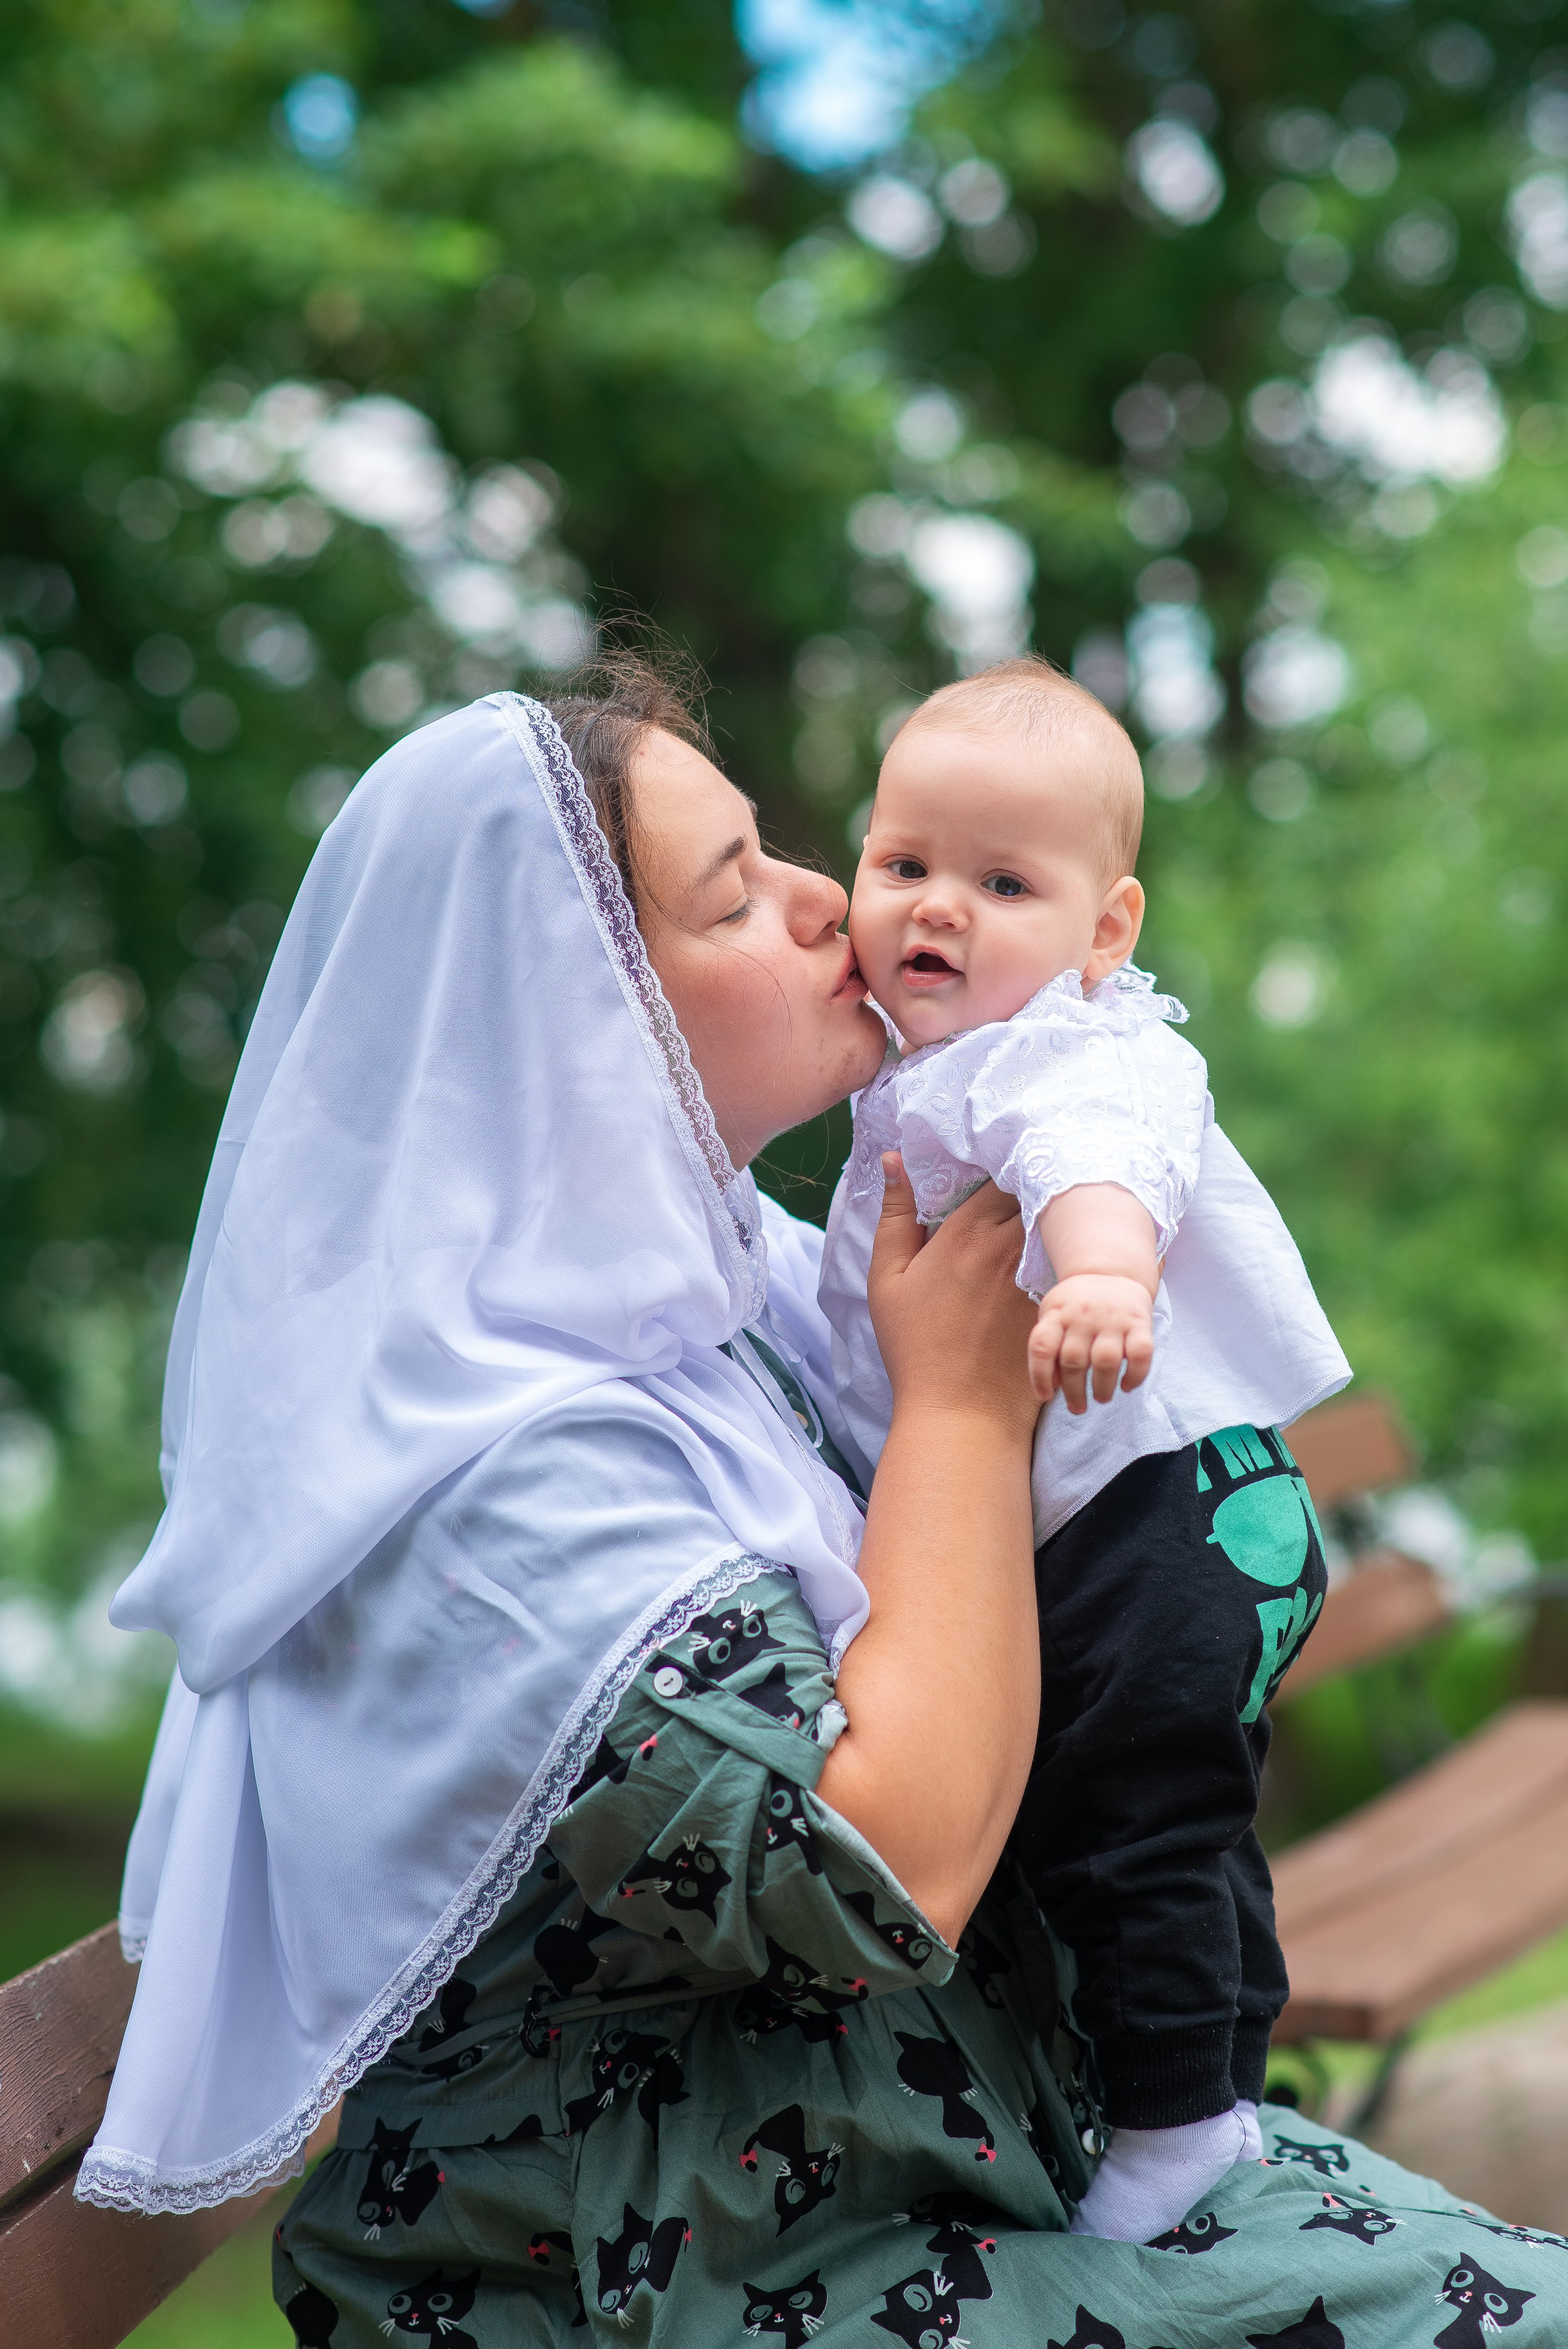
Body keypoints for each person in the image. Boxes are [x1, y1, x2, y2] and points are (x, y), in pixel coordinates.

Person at [78, 665, 1568, 2347]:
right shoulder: (497, 1477)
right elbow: (885, 1870)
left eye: (788, 851)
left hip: (944, 2166)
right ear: (569, 1017)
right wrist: (962, 1403)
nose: (827, 900)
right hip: (684, 2267)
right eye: (733, 893)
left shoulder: (727, 1304)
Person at [818, 657, 1351, 2239]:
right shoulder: (935, 1061)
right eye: (903, 862)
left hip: (1160, 1512)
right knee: (1179, 1815)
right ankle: (1225, 2094)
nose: (938, 908)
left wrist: (1105, 1269)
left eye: (1003, 884)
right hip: (1187, 1510)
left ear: (1105, 932)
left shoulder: (1068, 1047)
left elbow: (1101, 1150)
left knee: (1131, 1830)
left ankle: (1175, 2125)